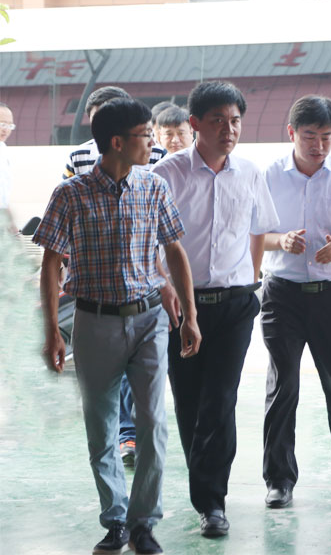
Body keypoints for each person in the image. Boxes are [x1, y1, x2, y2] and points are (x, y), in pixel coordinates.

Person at [33, 97, 201, 555]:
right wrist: (52, 330)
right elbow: (51, 264)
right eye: (145, 135)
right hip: (94, 323)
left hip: (149, 320)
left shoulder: (154, 186)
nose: (152, 142)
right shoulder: (70, 194)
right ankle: (115, 521)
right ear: (117, 142)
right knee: (101, 429)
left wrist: (189, 315)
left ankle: (144, 523)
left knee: (153, 424)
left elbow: (174, 251)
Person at [151, 80, 278, 538]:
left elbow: (259, 230)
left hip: (234, 305)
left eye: (235, 121)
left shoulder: (250, 173)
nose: (229, 130)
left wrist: (251, 279)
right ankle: (204, 487)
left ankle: (212, 503)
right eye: (218, 121)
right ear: (194, 124)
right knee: (190, 403)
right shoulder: (166, 175)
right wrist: (168, 290)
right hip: (181, 308)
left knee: (221, 401)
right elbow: (149, 243)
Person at [261, 95, 331, 510]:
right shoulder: (269, 177)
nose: (319, 146)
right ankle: (279, 479)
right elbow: (254, 233)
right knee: (283, 385)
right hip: (282, 294)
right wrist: (280, 240)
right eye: (310, 136)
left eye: (327, 137)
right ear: (291, 133)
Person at [61, 86, 166, 468]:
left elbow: (168, 241)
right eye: (145, 134)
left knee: (153, 416)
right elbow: (58, 245)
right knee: (99, 415)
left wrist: (172, 290)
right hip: (95, 306)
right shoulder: (74, 179)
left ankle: (143, 506)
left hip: (146, 301)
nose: (151, 141)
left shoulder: (155, 174)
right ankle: (116, 501)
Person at [63, 87, 168, 179]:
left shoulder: (158, 156)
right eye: (99, 119)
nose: (107, 125)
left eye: (115, 119)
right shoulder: (77, 157)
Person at [0, 102, 14, 230]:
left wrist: (10, 222)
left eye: (10, 125)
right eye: (2, 124)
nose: (6, 129)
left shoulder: (3, 149)